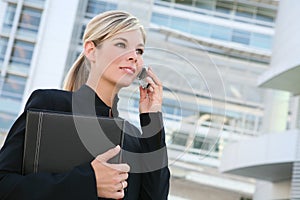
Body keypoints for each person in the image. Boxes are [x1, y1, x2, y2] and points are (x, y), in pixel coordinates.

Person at [0, 10, 170, 200]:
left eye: (139, 50)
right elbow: (4, 185)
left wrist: (152, 119)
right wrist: (89, 181)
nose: (134, 56)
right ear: (91, 50)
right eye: (121, 44)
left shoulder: (134, 140)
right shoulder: (51, 105)